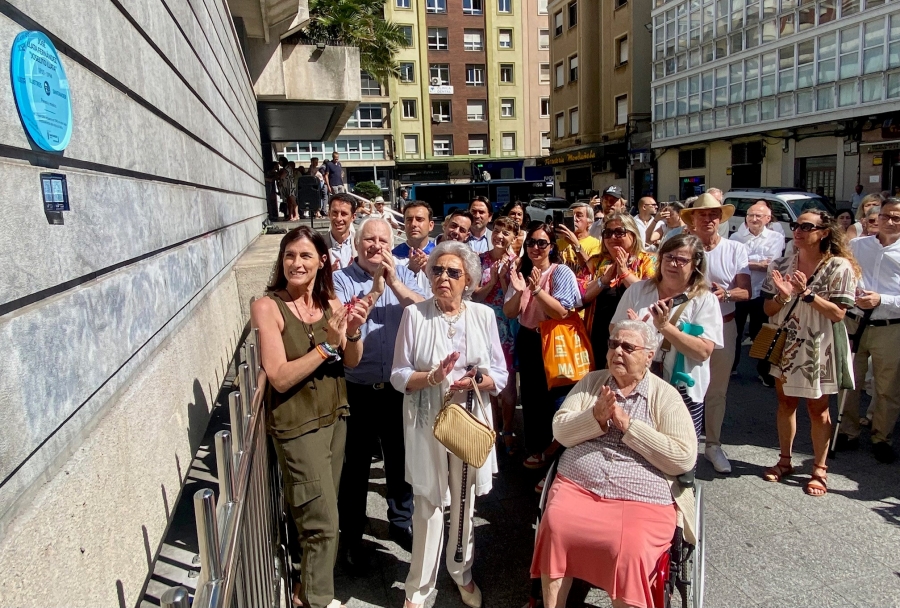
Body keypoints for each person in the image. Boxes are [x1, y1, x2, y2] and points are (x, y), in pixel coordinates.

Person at [530, 320, 698, 608]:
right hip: (579, 487)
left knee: (630, 548)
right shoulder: (592, 382)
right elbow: (560, 429)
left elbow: (683, 456)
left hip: (641, 500)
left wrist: (629, 427)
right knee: (556, 526)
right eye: (613, 344)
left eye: (628, 346)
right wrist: (593, 418)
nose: (617, 351)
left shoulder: (664, 396)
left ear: (649, 355)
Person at [251, 226, 369, 608]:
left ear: (322, 261)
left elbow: (352, 360)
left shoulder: (332, 304)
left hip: (336, 418)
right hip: (297, 427)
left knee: (321, 511)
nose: (296, 263)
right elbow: (280, 377)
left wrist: (351, 332)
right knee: (322, 521)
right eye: (289, 255)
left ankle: (304, 588)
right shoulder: (267, 306)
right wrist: (325, 347)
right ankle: (319, 599)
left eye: (304, 256)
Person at [391, 241, 508, 608]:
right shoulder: (414, 316)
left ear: (468, 279)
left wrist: (474, 381)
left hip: (469, 420)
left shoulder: (484, 316)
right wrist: (432, 377)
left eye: (453, 272)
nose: (443, 277)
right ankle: (419, 589)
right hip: (427, 422)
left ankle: (461, 572)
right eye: (437, 270)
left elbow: (500, 376)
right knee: (427, 503)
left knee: (463, 501)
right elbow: (398, 374)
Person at [334, 218, 426, 571]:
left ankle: (401, 522)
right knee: (355, 466)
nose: (375, 245)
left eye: (382, 239)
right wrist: (375, 289)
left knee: (401, 460)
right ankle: (353, 536)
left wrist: (395, 284)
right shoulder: (341, 279)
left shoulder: (407, 273)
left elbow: (425, 312)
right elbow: (344, 324)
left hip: (398, 389)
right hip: (356, 387)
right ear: (357, 245)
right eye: (368, 240)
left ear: (392, 243)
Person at [760, 210, 859, 496]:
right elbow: (768, 309)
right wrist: (782, 295)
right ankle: (785, 460)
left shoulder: (838, 267)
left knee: (818, 409)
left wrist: (807, 294)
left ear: (824, 232)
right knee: (785, 402)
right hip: (786, 341)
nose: (799, 230)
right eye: (796, 225)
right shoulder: (781, 263)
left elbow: (839, 313)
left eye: (806, 226)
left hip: (819, 343)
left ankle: (819, 468)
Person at [612, 234, 723, 435]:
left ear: (695, 264)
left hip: (682, 388)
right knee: (634, 444)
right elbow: (613, 329)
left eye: (681, 260)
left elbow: (703, 351)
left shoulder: (705, 300)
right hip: (635, 383)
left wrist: (664, 327)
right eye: (668, 257)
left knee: (679, 453)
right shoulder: (639, 290)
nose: (673, 264)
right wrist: (633, 332)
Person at [503, 223, 581, 483]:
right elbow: (511, 312)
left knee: (557, 400)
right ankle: (537, 450)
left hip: (553, 341)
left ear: (551, 246)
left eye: (542, 243)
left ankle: (558, 455)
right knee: (533, 399)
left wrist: (537, 291)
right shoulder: (522, 273)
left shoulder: (561, 273)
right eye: (531, 243)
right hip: (528, 339)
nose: (536, 248)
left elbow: (561, 311)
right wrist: (518, 289)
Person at [680, 193, 750, 474]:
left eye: (713, 215)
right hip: (688, 330)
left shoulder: (735, 249)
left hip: (725, 325)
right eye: (702, 214)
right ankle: (684, 445)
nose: (708, 219)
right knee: (684, 386)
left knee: (717, 391)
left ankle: (713, 445)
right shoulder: (683, 248)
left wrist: (727, 293)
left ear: (720, 219)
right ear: (693, 220)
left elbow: (746, 291)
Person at [837, 198, 900, 464]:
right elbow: (842, 276)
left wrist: (881, 299)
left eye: (897, 218)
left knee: (888, 387)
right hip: (854, 321)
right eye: (886, 216)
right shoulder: (857, 246)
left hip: (890, 326)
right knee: (850, 380)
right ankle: (848, 431)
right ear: (875, 218)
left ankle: (881, 437)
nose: (891, 222)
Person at [472, 217, 521, 454]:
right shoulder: (479, 261)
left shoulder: (517, 263)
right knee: (486, 379)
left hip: (506, 329)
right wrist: (492, 280)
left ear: (514, 239)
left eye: (507, 233)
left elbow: (515, 300)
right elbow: (475, 297)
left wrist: (503, 279)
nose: (500, 236)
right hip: (481, 326)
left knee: (508, 383)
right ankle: (493, 426)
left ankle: (509, 428)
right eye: (498, 230)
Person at [582, 212, 656, 364]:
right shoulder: (596, 262)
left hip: (633, 341)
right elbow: (581, 295)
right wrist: (603, 280)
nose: (612, 237)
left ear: (633, 234)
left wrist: (624, 273)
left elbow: (650, 294)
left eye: (619, 232)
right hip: (597, 336)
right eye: (607, 233)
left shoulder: (648, 260)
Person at [729, 201, 785, 371]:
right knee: (735, 333)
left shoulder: (777, 237)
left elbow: (771, 265)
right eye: (750, 215)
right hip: (740, 290)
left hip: (763, 291)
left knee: (762, 333)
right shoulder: (735, 238)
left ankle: (764, 372)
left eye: (758, 216)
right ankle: (732, 367)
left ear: (768, 219)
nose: (754, 219)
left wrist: (745, 262)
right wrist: (758, 263)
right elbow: (734, 264)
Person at [393, 201, 436, 298]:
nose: (413, 224)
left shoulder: (440, 256)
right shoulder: (393, 257)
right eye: (409, 220)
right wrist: (409, 271)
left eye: (419, 219)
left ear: (431, 225)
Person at [555, 202, 602, 287]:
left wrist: (575, 244)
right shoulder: (558, 242)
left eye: (579, 215)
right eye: (570, 215)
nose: (574, 218)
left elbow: (591, 270)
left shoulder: (596, 244)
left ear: (590, 222)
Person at [325, 193, 358, 271]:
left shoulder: (361, 244)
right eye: (335, 213)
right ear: (329, 214)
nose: (338, 218)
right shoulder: (318, 245)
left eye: (344, 214)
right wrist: (327, 275)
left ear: (353, 217)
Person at [278, 156, 299, 221]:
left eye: (280, 161)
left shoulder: (287, 168)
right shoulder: (285, 168)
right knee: (289, 201)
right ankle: (290, 215)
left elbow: (282, 176)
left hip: (290, 186)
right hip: (286, 186)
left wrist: (278, 175)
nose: (279, 163)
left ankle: (296, 215)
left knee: (293, 200)